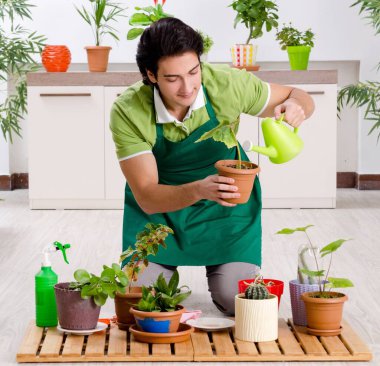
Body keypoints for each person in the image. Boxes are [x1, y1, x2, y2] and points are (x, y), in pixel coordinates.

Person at [110, 18, 314, 315]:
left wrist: (296, 108)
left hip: (226, 205)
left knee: (238, 301)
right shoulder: (128, 110)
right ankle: (163, 274)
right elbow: (147, 195)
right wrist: (198, 189)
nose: (187, 87)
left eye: (194, 72)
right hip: (160, 211)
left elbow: (299, 96)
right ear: (151, 75)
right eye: (172, 78)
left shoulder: (227, 85)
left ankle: (223, 273)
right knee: (140, 303)